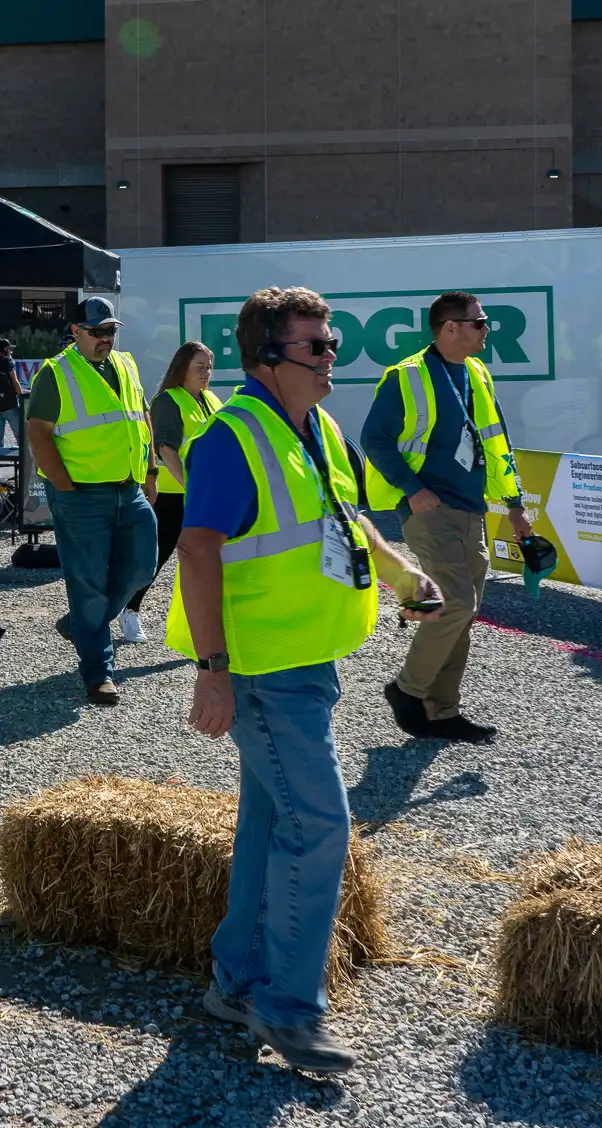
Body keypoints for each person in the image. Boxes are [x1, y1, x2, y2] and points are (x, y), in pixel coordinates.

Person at [171, 286, 442, 1075]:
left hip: (303, 665)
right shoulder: (232, 437)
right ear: (269, 358)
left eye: (331, 345)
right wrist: (213, 673)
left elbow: (343, 522)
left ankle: (237, 984)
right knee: (319, 829)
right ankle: (287, 1010)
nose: (332, 359)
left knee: (268, 824)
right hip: (261, 672)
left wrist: (402, 577)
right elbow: (196, 550)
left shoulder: (314, 426)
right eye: (316, 347)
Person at [360, 291, 530, 743]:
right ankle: (406, 690)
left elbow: (497, 444)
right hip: (430, 511)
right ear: (449, 327)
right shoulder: (408, 376)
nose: (486, 330)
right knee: (455, 603)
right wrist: (414, 491)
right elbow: (374, 439)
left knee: (462, 613)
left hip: (472, 510)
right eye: (479, 323)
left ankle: (442, 712)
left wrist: (514, 507)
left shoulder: (476, 373)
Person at [25, 295, 157, 705]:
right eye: (97, 331)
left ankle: (81, 625)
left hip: (127, 488)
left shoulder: (126, 365)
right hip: (81, 495)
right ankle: (99, 672)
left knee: (142, 566)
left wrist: (150, 471)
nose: (106, 338)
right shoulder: (56, 373)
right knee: (88, 583)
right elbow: (38, 432)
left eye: (111, 330)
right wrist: (64, 485)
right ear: (76, 332)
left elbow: (143, 416)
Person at [120, 342, 224, 644]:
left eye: (208, 367)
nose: (206, 373)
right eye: (199, 367)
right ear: (183, 369)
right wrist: (191, 487)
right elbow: (165, 449)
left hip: (205, 495)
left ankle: (204, 622)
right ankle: (129, 609)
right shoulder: (168, 401)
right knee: (156, 558)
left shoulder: (212, 400)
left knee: (205, 561)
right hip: (172, 495)